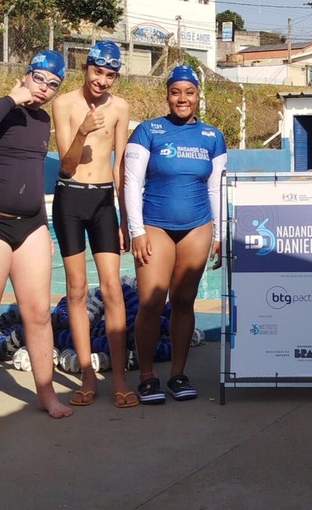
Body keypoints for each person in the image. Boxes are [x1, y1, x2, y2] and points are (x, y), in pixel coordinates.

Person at [0, 50, 73, 436]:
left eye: (53, 84)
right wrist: (11, 99)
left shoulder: (43, 122)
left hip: (30, 226)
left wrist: (44, 229)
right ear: (25, 76)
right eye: (39, 79)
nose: (44, 89)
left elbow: (27, 175)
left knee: (39, 314)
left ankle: (47, 393)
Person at [124, 65, 227, 404]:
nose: (182, 98)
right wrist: (136, 231)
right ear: (167, 95)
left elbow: (217, 189)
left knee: (183, 302)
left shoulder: (213, 136)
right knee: (152, 302)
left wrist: (219, 232)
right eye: (176, 92)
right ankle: (148, 376)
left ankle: (178, 375)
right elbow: (131, 183)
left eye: (189, 92)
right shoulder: (147, 130)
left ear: (198, 96)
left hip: (198, 226)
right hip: (155, 225)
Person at [51, 40, 137, 408]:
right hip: (70, 197)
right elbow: (66, 165)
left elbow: (120, 166)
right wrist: (84, 130)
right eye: (97, 72)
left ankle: (117, 378)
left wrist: (125, 218)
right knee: (76, 289)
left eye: (110, 75)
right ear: (85, 68)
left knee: (113, 290)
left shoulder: (120, 107)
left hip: (103, 201)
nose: (102, 81)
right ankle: (87, 375)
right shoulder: (64, 104)